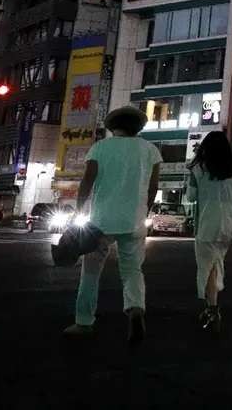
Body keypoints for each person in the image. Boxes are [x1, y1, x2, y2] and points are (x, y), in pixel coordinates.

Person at [65, 107, 162, 343]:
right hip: (134, 220)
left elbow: (87, 180)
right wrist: (144, 209)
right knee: (132, 271)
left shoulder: (101, 147)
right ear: (138, 128)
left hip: (100, 221)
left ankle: (83, 321)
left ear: (113, 127)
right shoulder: (150, 150)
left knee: (90, 273)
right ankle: (136, 309)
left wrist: (79, 209)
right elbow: (153, 187)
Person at [185, 130, 232, 332]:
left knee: (207, 266)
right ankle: (212, 305)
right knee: (217, 263)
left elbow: (191, 197)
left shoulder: (199, 170)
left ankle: (212, 308)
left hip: (206, 224)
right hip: (228, 226)